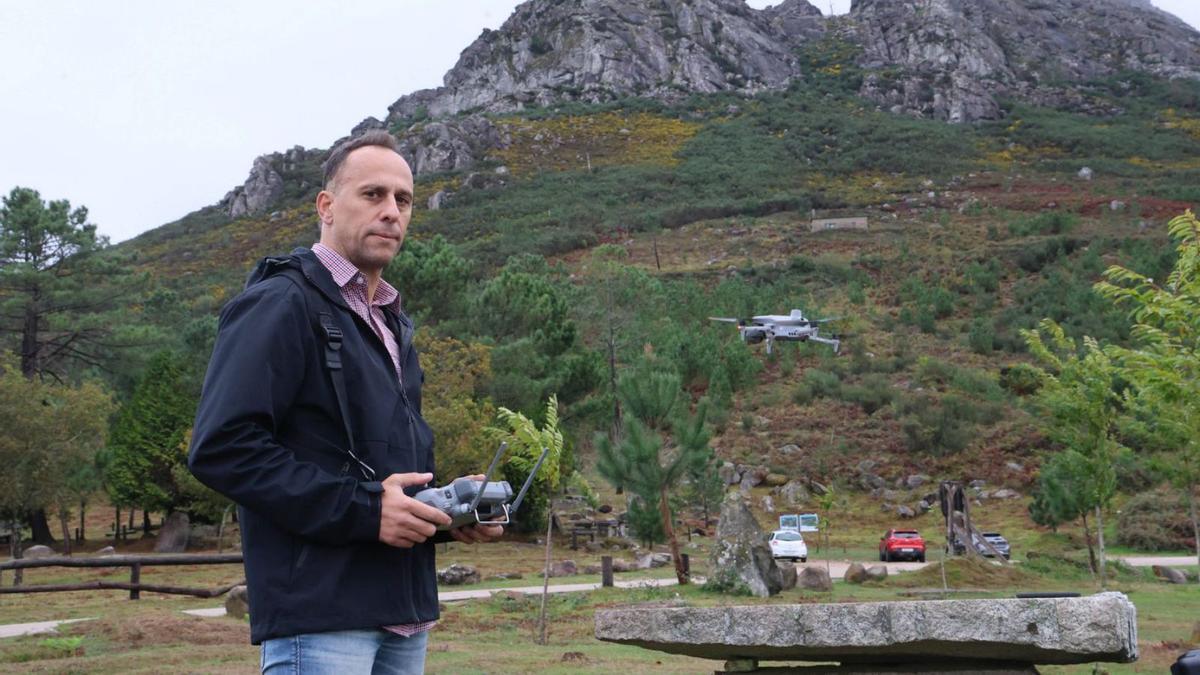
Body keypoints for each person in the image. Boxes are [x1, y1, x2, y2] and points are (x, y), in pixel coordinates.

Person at [188, 130, 502, 674]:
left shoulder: (391, 322)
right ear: (327, 207)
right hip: (322, 617)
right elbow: (222, 448)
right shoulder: (279, 303)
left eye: (402, 200)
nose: (391, 212)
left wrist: (447, 508)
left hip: (403, 616)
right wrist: (366, 511)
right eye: (372, 195)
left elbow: (376, 469)